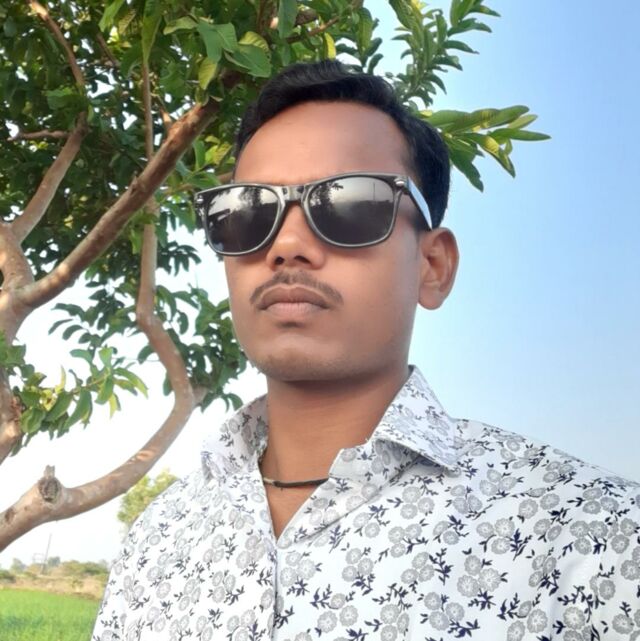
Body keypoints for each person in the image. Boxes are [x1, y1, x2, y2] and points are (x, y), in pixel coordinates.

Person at [91, 60, 640, 641]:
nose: (286, 245)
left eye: (349, 204)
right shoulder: (158, 538)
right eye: (248, 212)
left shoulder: (595, 539)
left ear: (433, 266)